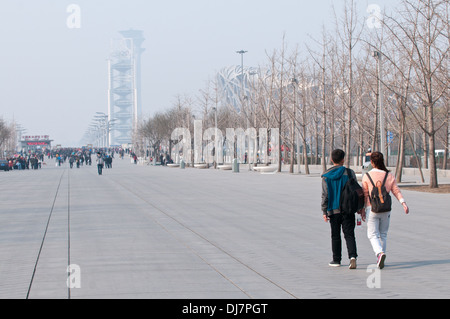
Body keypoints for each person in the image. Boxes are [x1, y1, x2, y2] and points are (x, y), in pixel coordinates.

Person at [362, 151, 409, 269]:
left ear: (372, 162)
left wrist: (362, 209)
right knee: (383, 234)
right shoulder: (388, 175)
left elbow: (365, 194)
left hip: (372, 208)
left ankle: (379, 253)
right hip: (386, 209)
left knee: (372, 234)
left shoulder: (367, 176)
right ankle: (381, 255)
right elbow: (396, 190)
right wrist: (403, 202)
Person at [321, 149, 363, 269]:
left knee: (335, 235)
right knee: (349, 234)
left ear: (331, 160)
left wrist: (324, 211)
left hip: (333, 210)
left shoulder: (326, 176)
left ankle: (336, 260)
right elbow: (356, 191)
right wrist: (359, 207)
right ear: (343, 159)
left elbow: (325, 194)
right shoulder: (350, 173)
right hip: (348, 209)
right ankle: (352, 256)